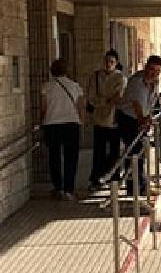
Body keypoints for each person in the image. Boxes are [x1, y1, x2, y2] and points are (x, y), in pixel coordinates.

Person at [114, 55, 161, 201]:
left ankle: (140, 185)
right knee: (134, 152)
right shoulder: (137, 82)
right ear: (145, 66)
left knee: (139, 152)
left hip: (139, 118)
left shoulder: (154, 82)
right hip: (128, 119)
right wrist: (143, 121)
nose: (153, 73)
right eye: (151, 69)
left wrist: (147, 118)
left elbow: (149, 103)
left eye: (157, 71)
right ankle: (136, 187)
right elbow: (137, 105)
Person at [40, 59, 85, 200]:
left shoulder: (46, 87)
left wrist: (42, 122)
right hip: (71, 125)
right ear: (67, 70)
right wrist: (81, 122)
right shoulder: (75, 86)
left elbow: (43, 108)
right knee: (71, 157)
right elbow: (80, 107)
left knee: (54, 157)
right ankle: (69, 190)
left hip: (52, 125)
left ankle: (58, 187)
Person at [86, 49, 126, 193]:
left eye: (112, 62)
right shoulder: (96, 77)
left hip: (114, 119)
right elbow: (91, 97)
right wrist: (107, 100)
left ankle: (113, 176)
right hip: (99, 119)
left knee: (114, 151)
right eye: (107, 61)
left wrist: (105, 100)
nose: (109, 64)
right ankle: (96, 178)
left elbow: (119, 96)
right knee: (99, 151)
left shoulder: (120, 78)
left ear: (116, 63)